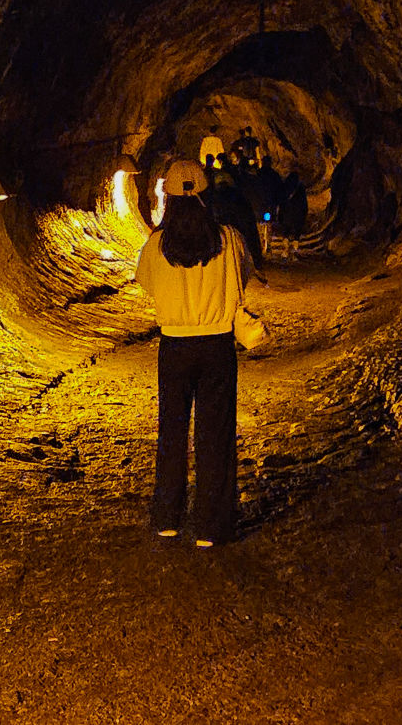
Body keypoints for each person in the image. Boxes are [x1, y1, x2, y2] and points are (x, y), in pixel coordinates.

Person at [135, 160, 245, 548]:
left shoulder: (157, 244)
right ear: (205, 193)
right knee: (215, 435)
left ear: (167, 198)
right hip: (216, 344)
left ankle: (167, 517)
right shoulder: (227, 239)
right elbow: (241, 279)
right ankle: (211, 527)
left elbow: (146, 283)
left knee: (172, 432)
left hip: (175, 344)